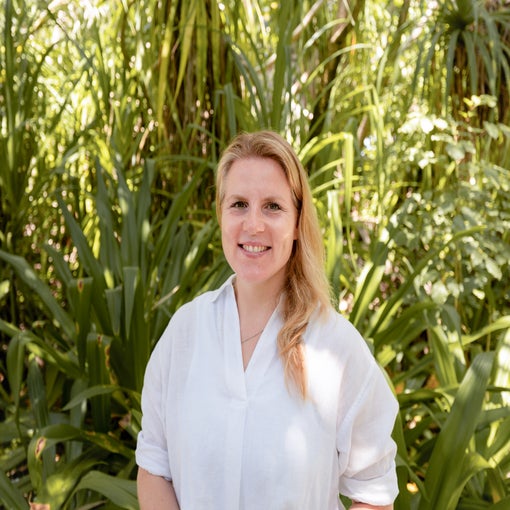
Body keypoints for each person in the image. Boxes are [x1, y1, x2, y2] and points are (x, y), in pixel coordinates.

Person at [135, 130, 399, 509]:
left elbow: (373, 494)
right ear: (221, 216)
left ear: (296, 224)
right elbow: (155, 467)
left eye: (272, 206)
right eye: (239, 204)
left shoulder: (336, 350)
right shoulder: (185, 334)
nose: (253, 225)